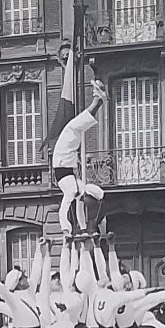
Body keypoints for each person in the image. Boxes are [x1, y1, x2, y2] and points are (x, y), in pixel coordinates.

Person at [50, 73, 106, 237]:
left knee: (74, 128)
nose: (86, 201)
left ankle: (97, 100)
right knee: (74, 128)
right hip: (65, 160)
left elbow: (68, 207)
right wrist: (73, 230)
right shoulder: (76, 190)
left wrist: (71, 230)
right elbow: (70, 206)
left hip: (63, 161)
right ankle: (97, 100)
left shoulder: (73, 190)